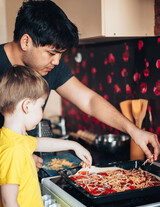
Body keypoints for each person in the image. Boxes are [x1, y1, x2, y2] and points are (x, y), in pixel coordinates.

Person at [0, 0, 159, 170]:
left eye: (60, 54)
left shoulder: (49, 66)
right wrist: (15, 156)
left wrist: (134, 131)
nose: (56, 61)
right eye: (52, 53)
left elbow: (89, 100)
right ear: (26, 42)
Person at [0, 65, 92, 207]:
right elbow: (8, 202)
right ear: (26, 106)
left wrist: (74, 145)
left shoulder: (13, 138)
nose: (42, 113)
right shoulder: (13, 150)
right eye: (41, 106)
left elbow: (39, 143)